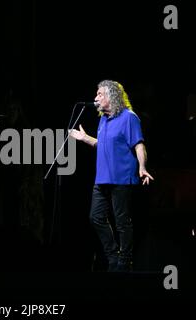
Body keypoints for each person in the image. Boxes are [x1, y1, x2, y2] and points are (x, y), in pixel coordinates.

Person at [70, 80, 154, 272]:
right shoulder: (104, 119)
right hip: (102, 178)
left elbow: (139, 144)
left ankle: (124, 261)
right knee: (95, 217)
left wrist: (142, 166)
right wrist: (85, 139)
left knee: (122, 221)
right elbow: (104, 144)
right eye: (96, 94)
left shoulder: (129, 117)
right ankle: (113, 255)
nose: (95, 98)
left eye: (100, 94)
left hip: (122, 177)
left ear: (112, 96)